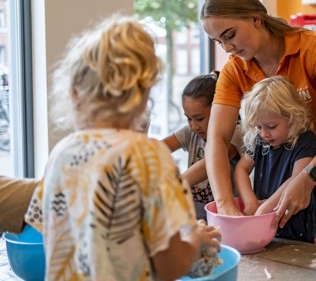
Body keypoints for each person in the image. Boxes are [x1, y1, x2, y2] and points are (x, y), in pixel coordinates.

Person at [23, 15, 221, 281]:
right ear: (145, 92)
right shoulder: (150, 158)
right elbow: (170, 266)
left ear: (73, 94)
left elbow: (50, 236)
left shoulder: (61, 153)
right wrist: (194, 241)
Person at [200, 0, 316, 234]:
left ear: (256, 18)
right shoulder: (233, 70)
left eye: (230, 35)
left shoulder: (315, 48)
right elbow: (217, 138)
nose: (227, 48)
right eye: (218, 42)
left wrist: (308, 177)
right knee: (306, 243)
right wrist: (224, 203)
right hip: (293, 159)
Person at [234, 76, 316, 244]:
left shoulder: (305, 140)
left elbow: (297, 179)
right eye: (258, 127)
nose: (264, 134)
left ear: (292, 117)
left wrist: (264, 209)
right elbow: (241, 169)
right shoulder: (261, 140)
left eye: (271, 126)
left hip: (297, 223)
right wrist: (250, 201)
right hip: (265, 222)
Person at [162, 71, 244, 219]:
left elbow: (211, 164)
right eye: (189, 119)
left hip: (222, 213)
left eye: (199, 118)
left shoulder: (236, 132)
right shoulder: (190, 133)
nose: (194, 126)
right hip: (194, 210)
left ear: (220, 111)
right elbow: (159, 148)